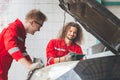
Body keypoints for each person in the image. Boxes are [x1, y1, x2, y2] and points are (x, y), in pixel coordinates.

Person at [0, 9, 47, 80]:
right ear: (32, 22)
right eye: (39, 26)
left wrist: (33, 65)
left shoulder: (21, 33)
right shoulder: (13, 28)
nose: (39, 30)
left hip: (3, 70)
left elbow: (22, 52)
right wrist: (29, 66)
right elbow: (11, 47)